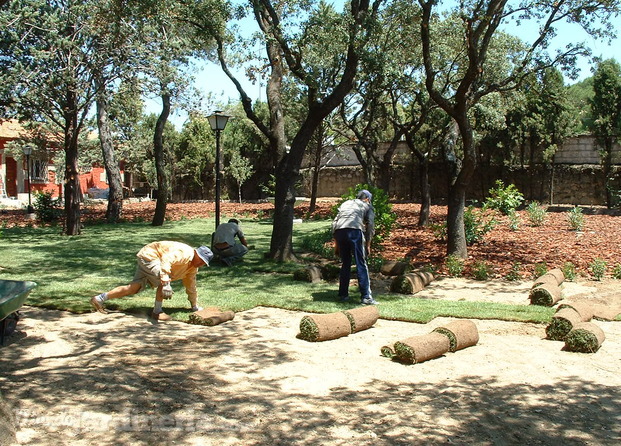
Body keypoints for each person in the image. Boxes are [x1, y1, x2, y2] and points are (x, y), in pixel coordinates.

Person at [90, 241, 214, 321]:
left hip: (149, 258)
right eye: (201, 260)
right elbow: (166, 260)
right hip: (150, 256)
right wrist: (165, 282)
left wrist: (194, 305)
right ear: (196, 253)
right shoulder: (185, 253)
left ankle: (99, 299)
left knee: (134, 288)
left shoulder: (192, 268)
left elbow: (191, 285)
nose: (201, 263)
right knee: (163, 280)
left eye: (204, 263)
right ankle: (157, 312)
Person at [332, 189, 378, 305]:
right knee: (361, 263)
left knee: (345, 263)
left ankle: (343, 295)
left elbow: (335, 222)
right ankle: (366, 297)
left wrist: (337, 243)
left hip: (340, 232)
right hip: (354, 232)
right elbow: (370, 225)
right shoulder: (367, 206)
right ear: (367, 199)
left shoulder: (346, 204)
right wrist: (368, 244)